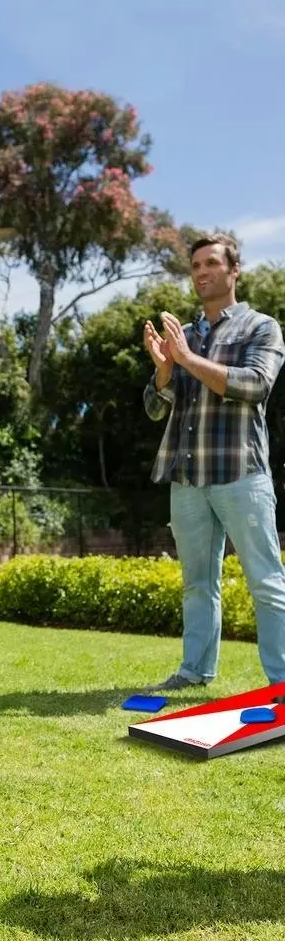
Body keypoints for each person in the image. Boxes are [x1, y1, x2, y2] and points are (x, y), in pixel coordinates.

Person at [143, 232, 285, 691]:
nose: (201, 273)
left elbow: (254, 385)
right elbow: (155, 406)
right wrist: (166, 370)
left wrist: (187, 359)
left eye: (210, 263)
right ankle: (194, 671)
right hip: (187, 479)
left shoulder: (260, 327)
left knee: (265, 581)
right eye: (195, 266)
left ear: (233, 269)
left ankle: (281, 681)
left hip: (241, 474)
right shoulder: (184, 335)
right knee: (198, 584)